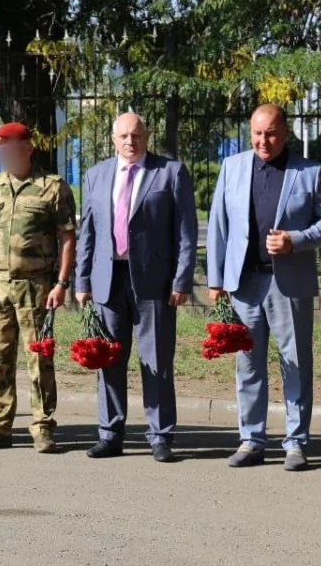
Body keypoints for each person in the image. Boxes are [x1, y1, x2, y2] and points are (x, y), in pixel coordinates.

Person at [207, 103, 321, 471]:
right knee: (247, 365)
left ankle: (296, 443)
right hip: (244, 282)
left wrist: (295, 240)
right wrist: (215, 280)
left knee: (295, 363)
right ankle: (251, 439)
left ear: (285, 133)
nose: (263, 141)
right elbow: (219, 224)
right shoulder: (232, 167)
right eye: (256, 133)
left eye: (270, 133)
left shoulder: (310, 172)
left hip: (288, 285)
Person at [75, 113, 197, 462]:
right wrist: (82, 281)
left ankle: (160, 436)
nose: (131, 142)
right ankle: (110, 434)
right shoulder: (96, 175)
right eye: (124, 136)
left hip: (154, 283)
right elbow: (88, 233)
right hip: (107, 281)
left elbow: (185, 232)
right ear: (113, 139)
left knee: (156, 360)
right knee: (108, 360)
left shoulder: (170, 172)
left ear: (147, 136)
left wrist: (182, 279)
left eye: (137, 135)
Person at [0, 122, 76, 454]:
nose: (6, 155)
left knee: (38, 358)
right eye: (1, 150)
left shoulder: (52, 187)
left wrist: (61, 283)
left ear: (28, 148)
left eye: (12, 149)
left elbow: (68, 236)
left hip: (36, 286)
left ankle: (42, 426)